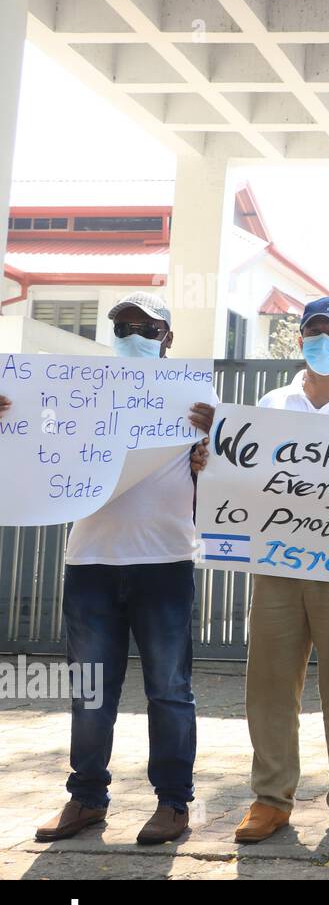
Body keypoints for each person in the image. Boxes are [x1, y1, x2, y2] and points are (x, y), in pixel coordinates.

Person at [19, 293, 215, 845]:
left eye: (145, 327)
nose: (131, 334)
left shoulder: (199, 400)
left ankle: (174, 804)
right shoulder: (75, 391)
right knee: (89, 692)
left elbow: (230, 487)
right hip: (91, 564)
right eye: (122, 325)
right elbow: (30, 443)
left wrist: (212, 448)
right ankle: (86, 799)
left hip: (165, 562)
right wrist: (11, 416)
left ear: (168, 339)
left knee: (170, 691)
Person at [209, 297, 329, 844]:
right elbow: (242, 477)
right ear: (299, 341)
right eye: (312, 332)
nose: (321, 342)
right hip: (276, 564)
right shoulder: (270, 403)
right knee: (269, 682)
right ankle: (270, 799)